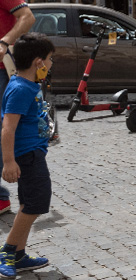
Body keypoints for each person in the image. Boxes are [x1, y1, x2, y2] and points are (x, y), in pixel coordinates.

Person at [0, 32, 54, 277]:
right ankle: (8, 252)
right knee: (35, 203)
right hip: (27, 154)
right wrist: (9, 161)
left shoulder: (28, 84)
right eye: (50, 59)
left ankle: (19, 255)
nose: (51, 64)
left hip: (34, 151)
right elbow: (8, 127)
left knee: (29, 202)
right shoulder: (21, 88)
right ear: (38, 62)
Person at [0, 0, 35, 216]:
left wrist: (4, 41)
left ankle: (2, 197)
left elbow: (28, 17)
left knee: (5, 126)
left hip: (1, 71)